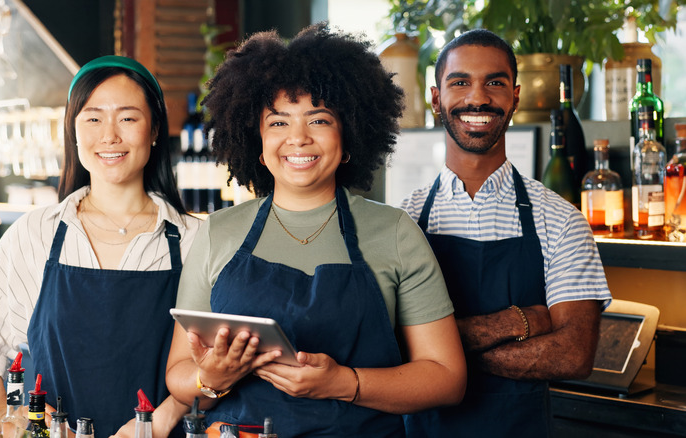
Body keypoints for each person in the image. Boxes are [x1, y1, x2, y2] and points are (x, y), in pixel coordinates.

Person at [165, 23, 466, 437]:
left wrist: (346, 383)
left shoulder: (394, 231)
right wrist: (213, 377)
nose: (298, 139)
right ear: (257, 140)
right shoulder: (218, 232)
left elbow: (447, 378)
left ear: (349, 136)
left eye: (318, 119)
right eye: (278, 123)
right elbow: (179, 375)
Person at [0, 55, 202, 438]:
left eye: (128, 117)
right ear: (73, 130)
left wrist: (159, 421)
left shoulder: (192, 240)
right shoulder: (36, 233)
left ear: (154, 130)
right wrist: (6, 413)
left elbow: (215, 364)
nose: (109, 135)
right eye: (93, 117)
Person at [399, 29, 613, 437]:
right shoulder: (404, 220)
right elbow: (387, 344)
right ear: (435, 98)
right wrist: (516, 322)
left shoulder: (562, 220)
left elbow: (573, 354)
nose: (477, 98)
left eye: (494, 83)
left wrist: (440, 354)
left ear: (515, 97)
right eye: (460, 82)